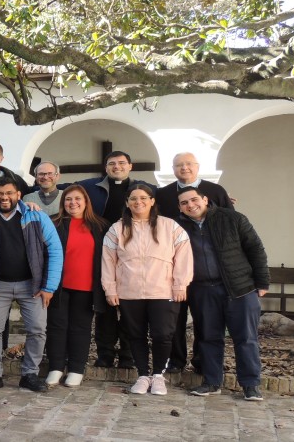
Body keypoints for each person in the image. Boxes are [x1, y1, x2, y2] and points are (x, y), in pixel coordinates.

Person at [0, 176, 63, 392]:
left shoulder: (37, 217)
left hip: (33, 286)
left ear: (19, 195)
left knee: (37, 329)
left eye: (9, 193)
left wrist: (49, 287)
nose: (4, 197)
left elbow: (54, 251)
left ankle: (30, 375)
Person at [177, 187, 268, 401]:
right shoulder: (178, 226)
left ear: (205, 199)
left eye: (194, 200)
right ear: (179, 207)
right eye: (184, 203)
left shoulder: (232, 218)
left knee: (246, 338)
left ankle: (250, 384)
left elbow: (255, 248)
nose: (190, 205)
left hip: (240, 288)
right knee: (208, 337)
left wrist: (262, 282)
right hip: (202, 290)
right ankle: (211, 382)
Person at [101, 184, 193, 396]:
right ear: (127, 203)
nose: (138, 202)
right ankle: (143, 375)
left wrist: (181, 284)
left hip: (163, 291)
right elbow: (108, 261)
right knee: (135, 334)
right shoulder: (117, 229)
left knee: (163, 334)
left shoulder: (170, 226)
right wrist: (110, 289)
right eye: (133, 198)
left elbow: (184, 257)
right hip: (129, 292)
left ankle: (158, 375)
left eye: (143, 198)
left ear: (152, 201)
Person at [156, 152, 234, 374]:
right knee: (175, 319)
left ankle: (201, 360)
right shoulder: (163, 194)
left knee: (205, 319)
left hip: (204, 269)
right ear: (173, 169)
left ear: (197, 166)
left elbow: (229, 226)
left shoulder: (216, 191)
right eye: (179, 165)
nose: (184, 168)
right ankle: (176, 360)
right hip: (172, 268)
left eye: (189, 164)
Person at [78, 150, 152, 369]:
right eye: (112, 163)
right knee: (105, 309)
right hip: (103, 251)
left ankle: (128, 356)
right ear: (106, 167)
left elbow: (172, 196)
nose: (117, 167)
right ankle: (105, 354)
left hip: (133, 253)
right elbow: (60, 188)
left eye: (121, 163)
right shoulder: (91, 187)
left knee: (131, 309)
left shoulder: (142, 188)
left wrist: (220, 201)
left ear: (130, 166)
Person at [44, 185, 108, 387]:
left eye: (77, 199)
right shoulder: (53, 222)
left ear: (86, 201)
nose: (73, 203)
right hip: (58, 286)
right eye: (68, 199)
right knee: (56, 327)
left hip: (87, 287)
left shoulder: (99, 226)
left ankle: (76, 368)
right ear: (63, 203)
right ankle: (55, 367)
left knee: (80, 329)